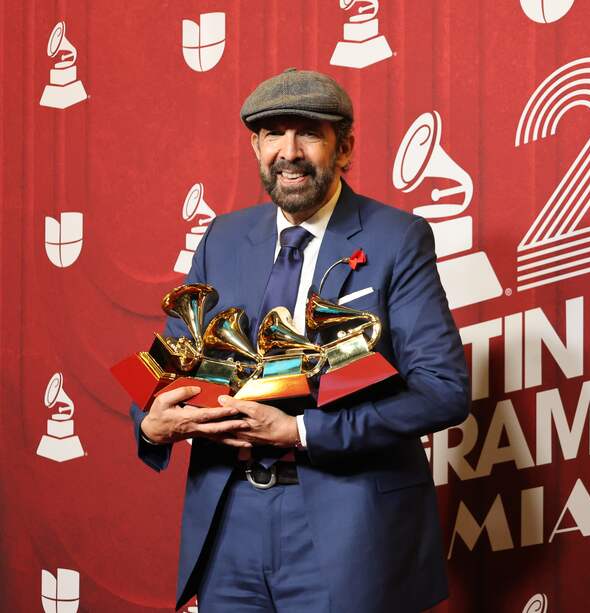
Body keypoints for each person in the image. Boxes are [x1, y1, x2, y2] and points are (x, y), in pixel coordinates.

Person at [130, 68, 470, 612]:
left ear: (345, 147)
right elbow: (167, 362)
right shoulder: (222, 238)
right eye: (272, 134)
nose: (288, 152)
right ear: (255, 146)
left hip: (346, 522)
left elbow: (443, 389)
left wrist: (302, 431)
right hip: (229, 523)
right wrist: (151, 423)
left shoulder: (397, 238)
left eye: (307, 133)